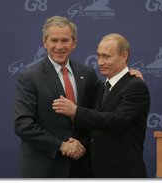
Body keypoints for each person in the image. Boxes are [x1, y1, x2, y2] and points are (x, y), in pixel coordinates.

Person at [14, 16, 143, 178]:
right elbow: (22, 124)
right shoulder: (29, 77)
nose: (59, 46)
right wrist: (60, 145)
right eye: (54, 40)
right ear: (45, 42)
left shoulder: (86, 74)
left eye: (65, 40)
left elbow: (108, 99)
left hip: (80, 168)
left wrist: (127, 78)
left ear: (74, 43)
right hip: (44, 166)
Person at [52, 33, 151, 178]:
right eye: (98, 56)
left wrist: (76, 111)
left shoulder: (136, 87)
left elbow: (118, 121)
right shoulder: (100, 88)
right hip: (95, 172)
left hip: (123, 174)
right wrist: (77, 143)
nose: (100, 62)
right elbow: (94, 128)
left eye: (106, 56)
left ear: (123, 56)